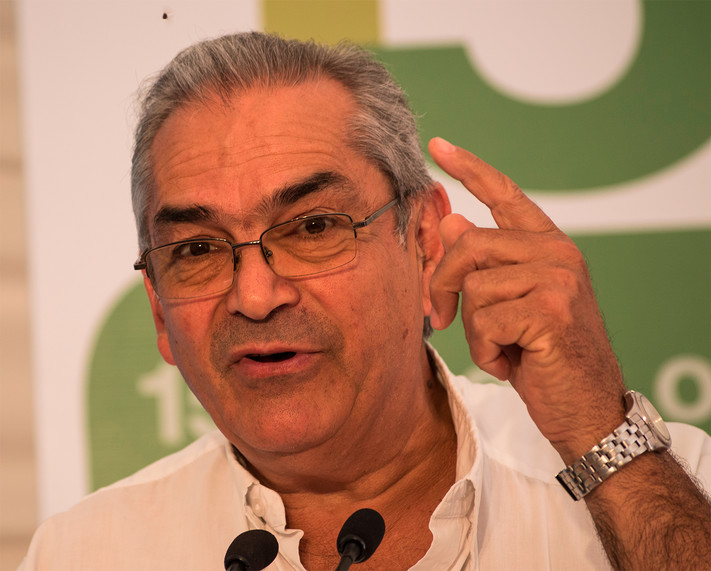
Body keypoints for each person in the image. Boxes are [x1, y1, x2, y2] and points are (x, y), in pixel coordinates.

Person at [20, 31, 711, 570]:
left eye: (312, 227)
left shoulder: (664, 483)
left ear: (424, 242)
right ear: (157, 309)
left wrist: (599, 435)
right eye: (197, 249)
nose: (254, 296)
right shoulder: (85, 553)